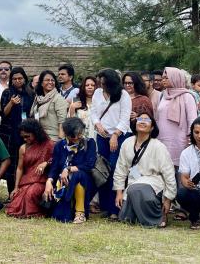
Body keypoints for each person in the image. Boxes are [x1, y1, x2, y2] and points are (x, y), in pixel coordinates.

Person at [113, 112, 177, 227]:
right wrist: (119, 192)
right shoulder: (127, 143)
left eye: (146, 120)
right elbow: (120, 168)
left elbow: (169, 173)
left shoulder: (158, 146)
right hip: (133, 182)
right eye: (140, 119)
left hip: (154, 183)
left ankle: (158, 217)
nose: (142, 121)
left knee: (137, 189)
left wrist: (168, 199)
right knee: (125, 218)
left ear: (152, 127)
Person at [90, 68, 131, 219]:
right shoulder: (97, 93)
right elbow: (94, 112)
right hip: (102, 136)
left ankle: (115, 208)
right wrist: (97, 124)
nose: (101, 86)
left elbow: (125, 118)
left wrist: (115, 135)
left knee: (115, 169)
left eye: (104, 83)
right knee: (102, 170)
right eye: (100, 83)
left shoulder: (123, 95)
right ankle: (105, 206)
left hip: (118, 136)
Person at [44, 117, 97, 223]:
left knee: (79, 175)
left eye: (79, 134)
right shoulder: (59, 145)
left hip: (85, 181)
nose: (77, 137)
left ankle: (80, 213)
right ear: (67, 134)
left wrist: (68, 169)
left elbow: (89, 164)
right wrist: (49, 182)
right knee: (62, 217)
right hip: (63, 182)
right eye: (73, 136)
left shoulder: (89, 143)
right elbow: (55, 167)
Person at [6, 119, 54, 218]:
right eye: (23, 137)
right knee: (17, 198)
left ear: (35, 133)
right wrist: (16, 187)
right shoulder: (23, 148)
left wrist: (46, 163)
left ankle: (35, 213)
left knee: (31, 193)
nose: (25, 139)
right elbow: (20, 168)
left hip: (43, 181)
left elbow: (57, 160)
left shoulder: (49, 144)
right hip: (26, 181)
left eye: (27, 136)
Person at [0, 67, 35, 194]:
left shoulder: (31, 93)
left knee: (24, 162)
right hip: (9, 133)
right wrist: (11, 103)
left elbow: (32, 113)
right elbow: (3, 113)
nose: (17, 81)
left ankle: (22, 192)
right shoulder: (7, 93)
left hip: (26, 132)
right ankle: (11, 193)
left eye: (20, 78)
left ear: (24, 79)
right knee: (10, 163)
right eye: (14, 79)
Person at [156, 67, 199, 170]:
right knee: (163, 169)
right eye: (163, 78)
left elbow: (192, 120)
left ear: (175, 78)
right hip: (162, 140)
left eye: (167, 77)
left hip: (180, 141)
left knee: (180, 170)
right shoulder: (162, 95)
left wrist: (191, 140)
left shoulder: (187, 96)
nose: (163, 80)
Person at [30, 70, 69, 141]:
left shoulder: (58, 98)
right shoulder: (38, 98)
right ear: (41, 83)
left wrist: (60, 141)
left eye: (52, 80)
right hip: (39, 137)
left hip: (53, 139)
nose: (50, 82)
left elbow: (62, 121)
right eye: (47, 80)